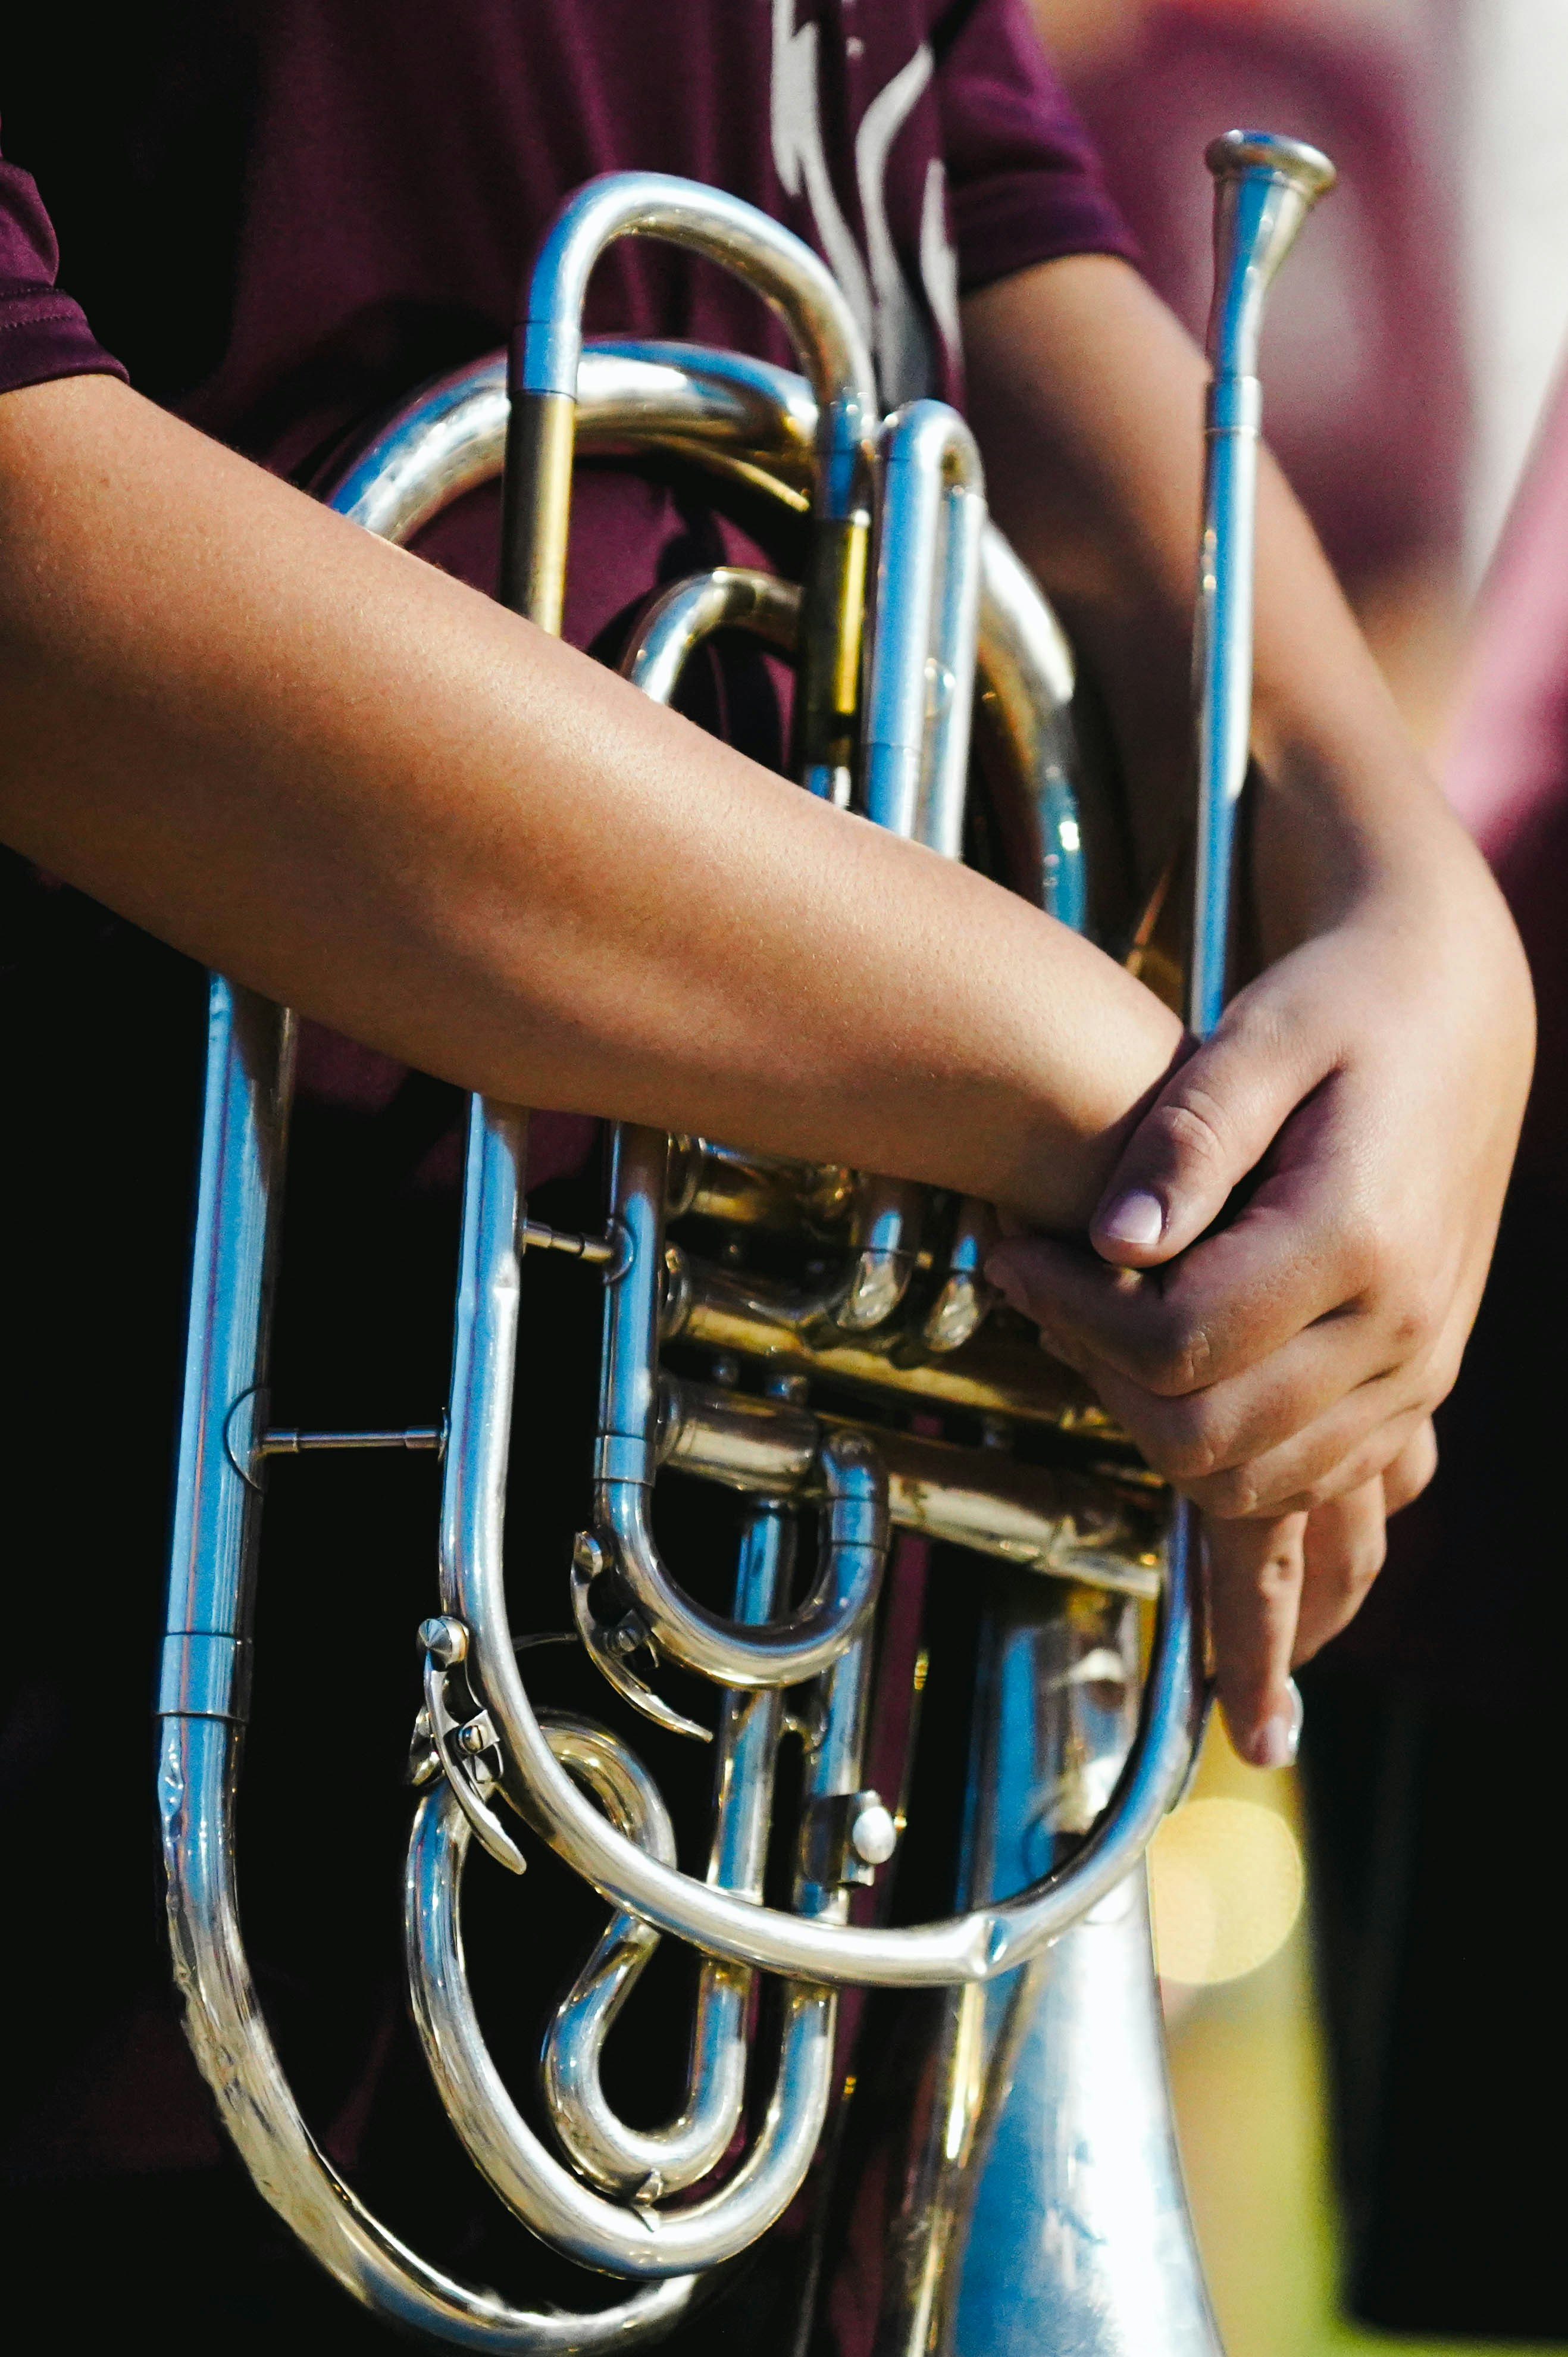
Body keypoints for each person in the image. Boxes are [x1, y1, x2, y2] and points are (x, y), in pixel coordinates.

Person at [0, 1, 1531, 2339]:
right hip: (120, 1764)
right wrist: (1069, 1081)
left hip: (748, 1883)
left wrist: (1406, 914)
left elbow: (989, 202)